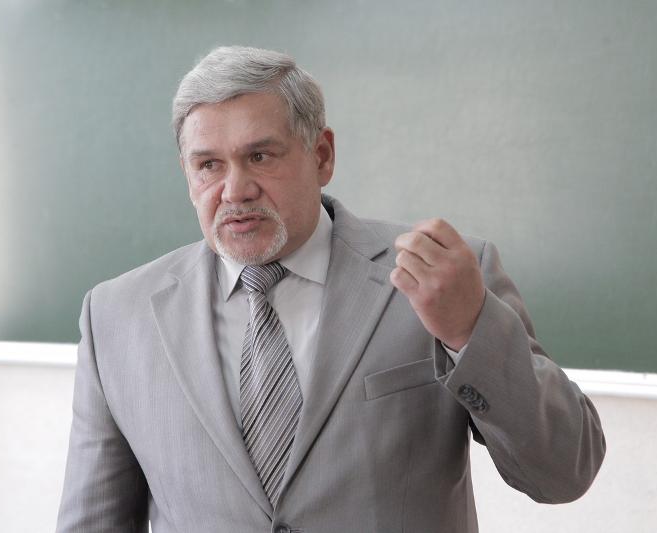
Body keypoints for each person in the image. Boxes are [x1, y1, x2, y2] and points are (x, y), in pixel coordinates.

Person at [56, 46, 605, 533]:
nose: (235, 190)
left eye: (260, 156)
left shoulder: (443, 276)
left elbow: (564, 472)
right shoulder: (116, 316)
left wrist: (471, 331)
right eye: (209, 165)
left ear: (322, 156)